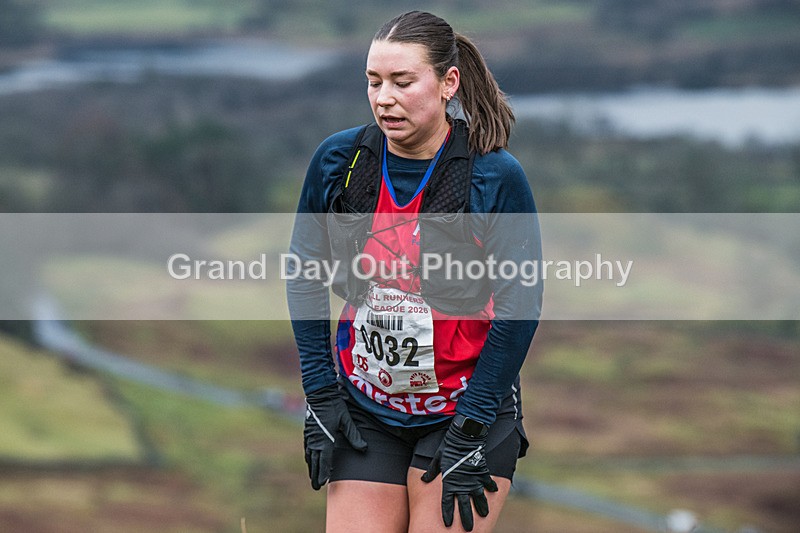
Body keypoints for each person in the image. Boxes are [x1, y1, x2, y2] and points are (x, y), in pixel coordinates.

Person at [287, 10, 542, 532]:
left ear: (448, 83)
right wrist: (319, 395)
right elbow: (303, 272)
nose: (384, 98)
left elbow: (521, 305)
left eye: (403, 82)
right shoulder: (342, 161)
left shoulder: (493, 176)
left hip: (466, 409)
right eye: (373, 82)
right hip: (366, 406)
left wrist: (472, 424)